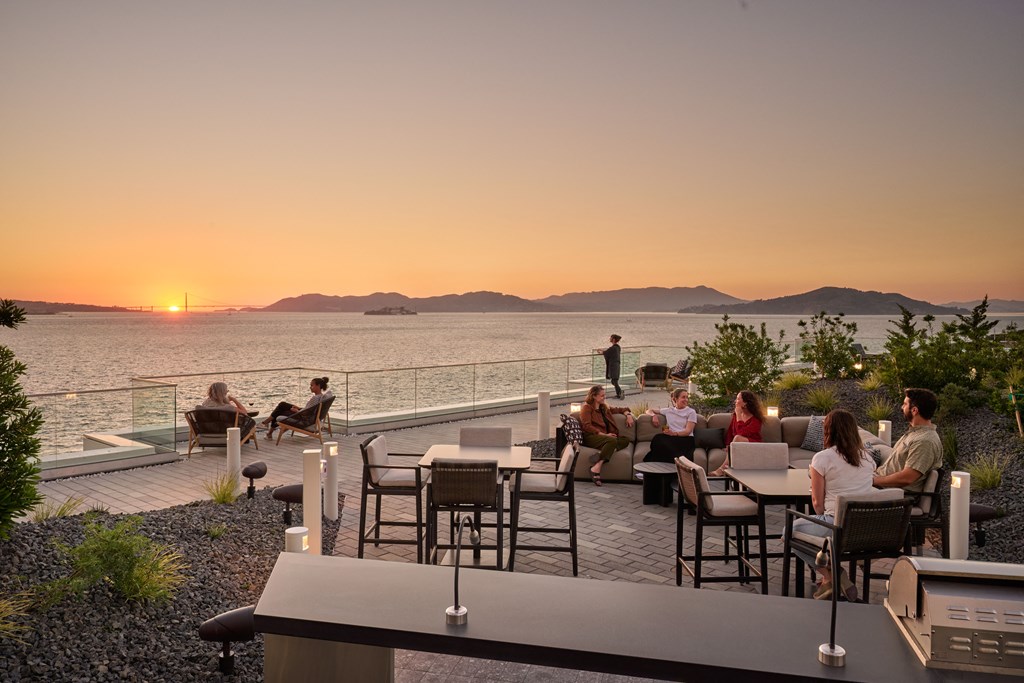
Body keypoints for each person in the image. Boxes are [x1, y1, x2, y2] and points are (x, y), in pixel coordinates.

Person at [790, 409, 876, 602]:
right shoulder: (868, 458)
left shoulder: (822, 458)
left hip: (835, 525)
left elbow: (818, 507)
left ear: (829, 430)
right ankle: (829, 582)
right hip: (863, 528)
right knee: (806, 530)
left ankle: (833, 576)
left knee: (790, 530)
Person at [873, 388, 942, 493]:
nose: (902, 407)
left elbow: (907, 478)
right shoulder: (915, 433)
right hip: (881, 484)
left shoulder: (924, 441)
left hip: (890, 493)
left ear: (914, 410)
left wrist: (873, 481)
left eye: (905, 404)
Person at [579, 384, 634, 486]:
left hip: (605, 438)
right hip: (591, 436)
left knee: (625, 440)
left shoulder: (604, 408)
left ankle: (600, 457)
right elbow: (586, 426)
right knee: (612, 440)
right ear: (594, 396)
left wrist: (628, 415)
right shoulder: (586, 408)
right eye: (602, 395)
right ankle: (596, 469)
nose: (605, 397)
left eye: (605, 395)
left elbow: (621, 409)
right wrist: (603, 434)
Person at [709, 390, 764, 476]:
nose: (735, 401)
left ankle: (721, 469)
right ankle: (728, 471)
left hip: (753, 444)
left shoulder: (756, 420)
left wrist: (738, 414)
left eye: (738, 399)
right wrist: (728, 445)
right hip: (738, 444)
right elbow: (731, 431)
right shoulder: (735, 415)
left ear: (745, 403)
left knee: (738, 438)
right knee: (736, 439)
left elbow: (741, 433)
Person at [263, 377, 333, 440]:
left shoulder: (315, 398)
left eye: (312, 385)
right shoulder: (320, 397)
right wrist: (299, 408)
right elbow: (309, 410)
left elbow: (306, 413)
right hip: (306, 416)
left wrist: (296, 411)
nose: (310, 387)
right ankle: (268, 427)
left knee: (280, 411)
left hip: (303, 418)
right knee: (282, 405)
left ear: (318, 386)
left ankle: (267, 427)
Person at [643, 388, 698, 463]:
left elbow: (688, 431)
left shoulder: (691, 412)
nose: (686, 400)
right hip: (671, 438)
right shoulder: (669, 410)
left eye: (687, 397)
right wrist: (654, 416)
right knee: (657, 438)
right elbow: (648, 410)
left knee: (662, 447)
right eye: (683, 397)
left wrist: (674, 433)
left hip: (685, 439)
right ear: (675, 399)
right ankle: (658, 468)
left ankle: (664, 468)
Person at [602, 334, 623, 400]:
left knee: (614, 380)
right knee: (614, 381)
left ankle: (619, 394)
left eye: (611, 338)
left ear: (613, 339)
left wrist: (600, 351)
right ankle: (620, 392)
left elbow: (606, 353)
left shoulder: (613, 348)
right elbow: (608, 352)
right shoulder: (617, 347)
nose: (610, 339)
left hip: (614, 366)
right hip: (616, 365)